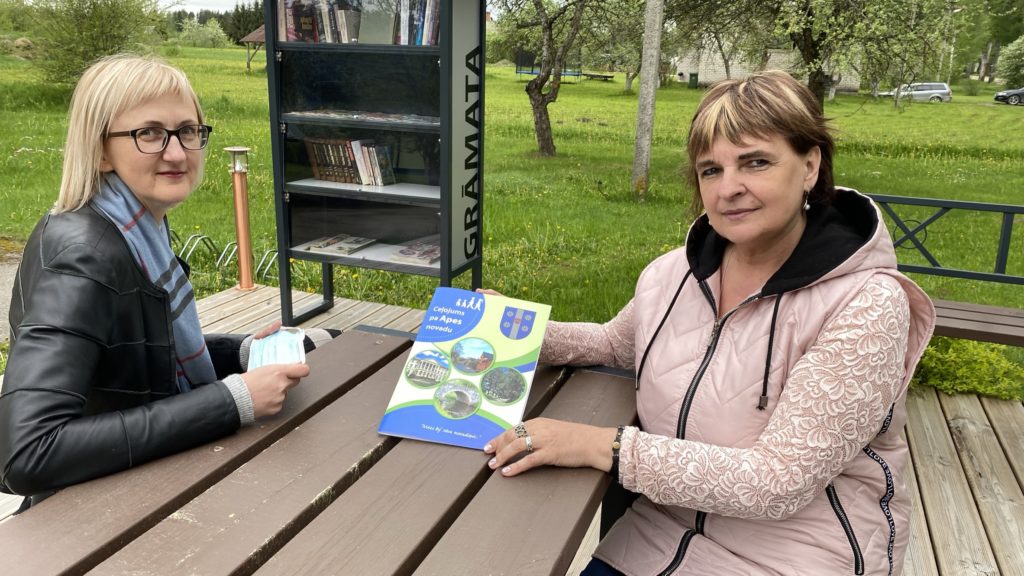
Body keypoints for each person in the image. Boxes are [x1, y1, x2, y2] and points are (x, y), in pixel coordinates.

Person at [484, 70, 936, 575]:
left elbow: (778, 482)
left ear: (810, 165)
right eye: (711, 170)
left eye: (756, 162)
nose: (729, 189)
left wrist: (597, 445)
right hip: (657, 534)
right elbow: (616, 343)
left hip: (799, 554)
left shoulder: (866, 303)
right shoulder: (675, 274)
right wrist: (513, 326)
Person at [0, 55, 334, 509]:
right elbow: (26, 453)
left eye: (187, 131)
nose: (177, 153)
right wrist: (233, 399)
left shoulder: (134, 228)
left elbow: (133, 353)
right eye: (149, 133)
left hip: (139, 482)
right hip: (95, 516)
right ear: (100, 151)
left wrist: (240, 353)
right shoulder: (83, 257)